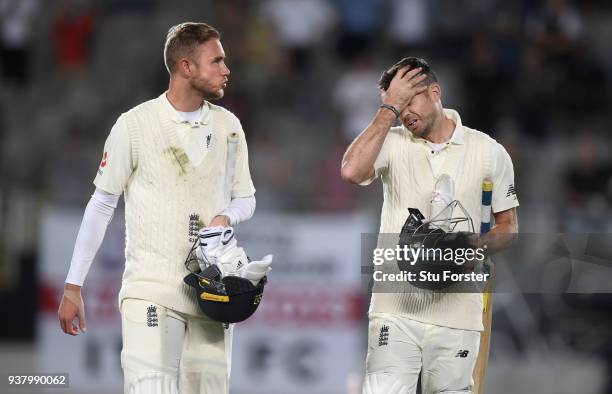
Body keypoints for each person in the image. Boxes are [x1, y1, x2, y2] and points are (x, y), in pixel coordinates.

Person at [57, 22, 257, 394]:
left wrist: (226, 216)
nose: (226, 70)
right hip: (150, 289)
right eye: (217, 61)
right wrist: (73, 286)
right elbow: (102, 204)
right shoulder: (133, 126)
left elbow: (246, 197)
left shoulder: (230, 126)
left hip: (210, 294)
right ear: (186, 67)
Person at [341, 57, 519, 394]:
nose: (403, 112)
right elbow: (351, 171)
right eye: (396, 103)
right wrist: (388, 110)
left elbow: (508, 226)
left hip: (459, 312)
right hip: (395, 309)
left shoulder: (489, 151)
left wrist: (472, 246)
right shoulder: (390, 141)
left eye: (409, 100)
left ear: (435, 92)